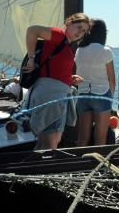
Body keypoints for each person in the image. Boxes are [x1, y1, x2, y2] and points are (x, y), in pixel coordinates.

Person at [22, 12, 92, 150]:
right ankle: (42, 169)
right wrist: (31, 58)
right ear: (68, 24)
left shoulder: (66, 44)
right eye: (78, 27)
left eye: (84, 31)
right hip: (50, 93)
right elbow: (32, 30)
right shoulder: (59, 35)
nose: (80, 32)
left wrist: (69, 79)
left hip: (57, 94)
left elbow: (55, 68)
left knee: (50, 140)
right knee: (50, 141)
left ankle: (37, 169)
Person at [74, 19, 116, 147]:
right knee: (100, 139)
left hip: (83, 95)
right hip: (101, 95)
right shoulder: (106, 51)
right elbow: (112, 79)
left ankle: (80, 165)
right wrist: (111, 98)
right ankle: (98, 166)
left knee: (82, 138)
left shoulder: (79, 50)